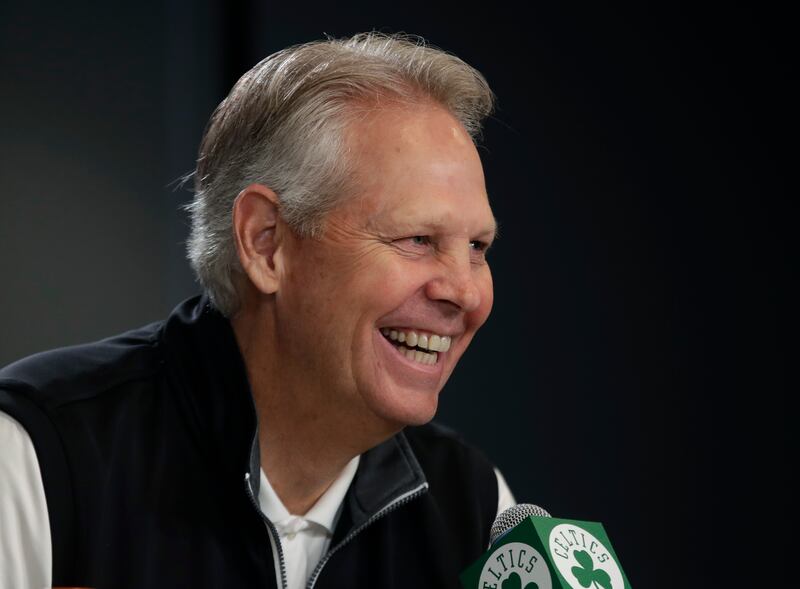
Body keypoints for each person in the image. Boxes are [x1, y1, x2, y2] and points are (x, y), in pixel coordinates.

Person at [0, 33, 515, 588]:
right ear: (267, 242)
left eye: (477, 248)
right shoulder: (37, 457)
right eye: (417, 238)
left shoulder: (478, 512)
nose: (465, 292)